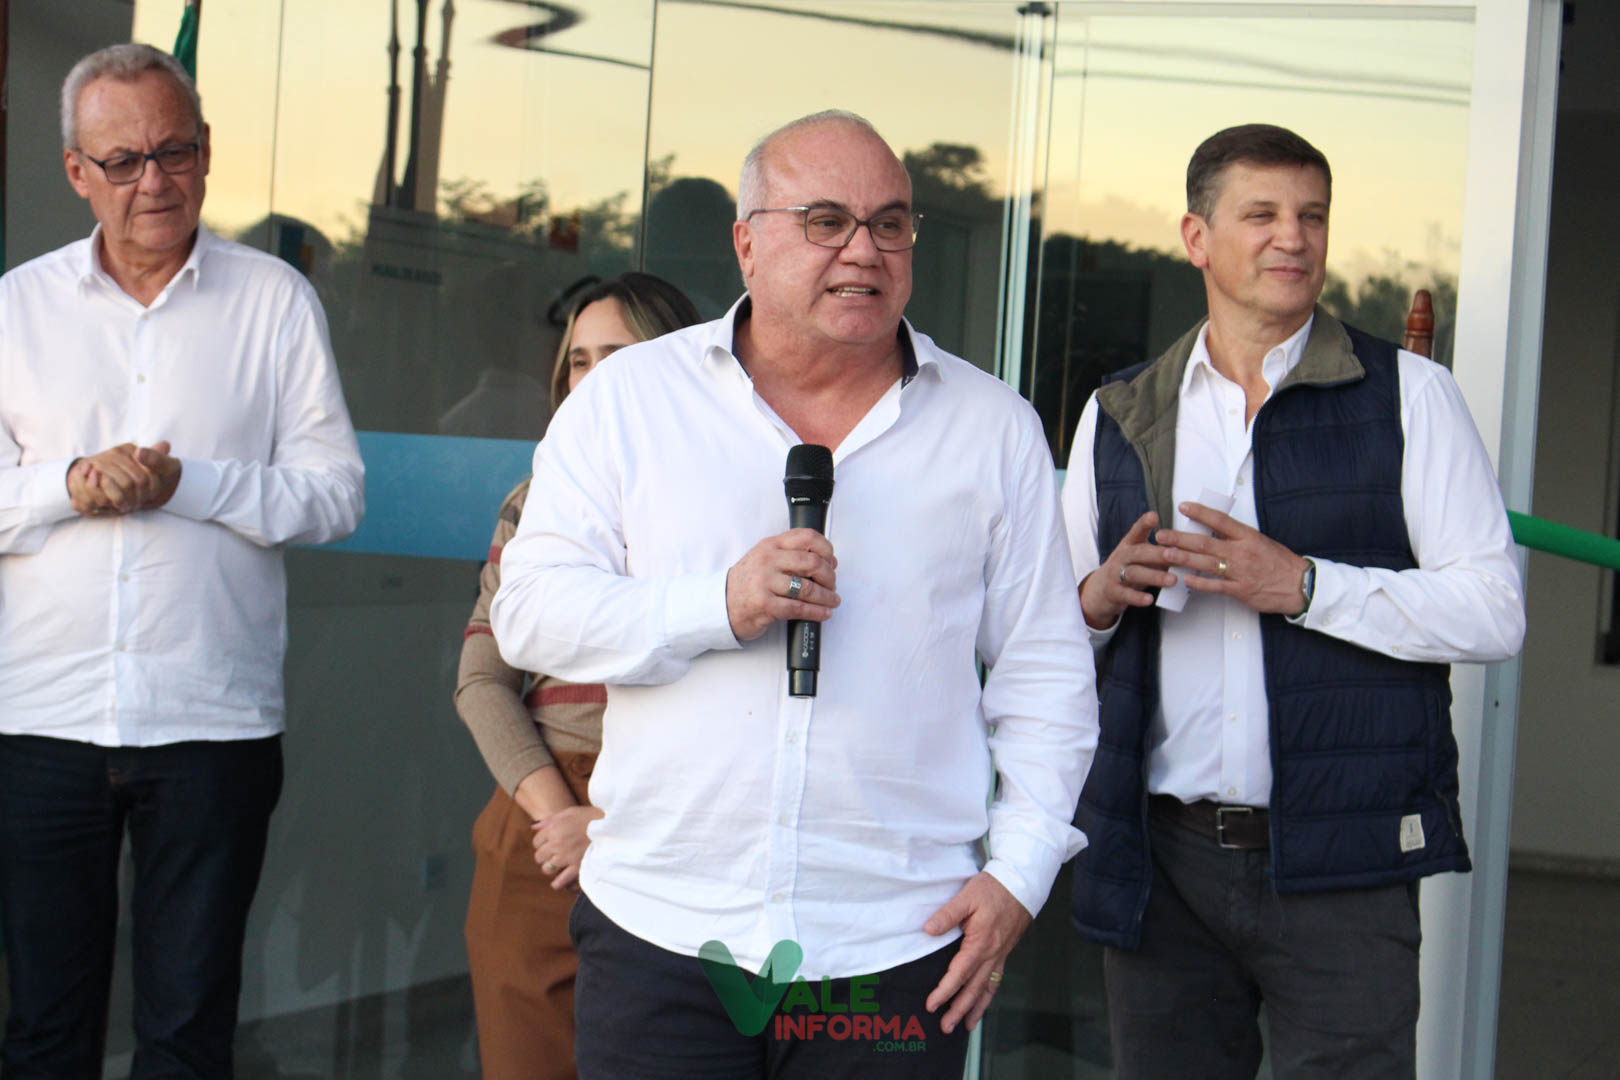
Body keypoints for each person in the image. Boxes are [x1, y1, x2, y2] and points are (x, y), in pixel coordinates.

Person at [489, 109, 1097, 1079]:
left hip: (895, 943)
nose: (864, 249)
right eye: (826, 221)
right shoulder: (629, 400)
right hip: (664, 932)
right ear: (747, 243)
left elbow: (1045, 675)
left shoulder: (992, 428)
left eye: (890, 223)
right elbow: (529, 615)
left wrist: (1021, 873)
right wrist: (715, 606)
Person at [1061, 123, 1526, 1078]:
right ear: (1196, 237)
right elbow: (1049, 638)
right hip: (1163, 859)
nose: (1294, 238)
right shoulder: (1120, 410)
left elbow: (1494, 611)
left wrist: (1307, 587)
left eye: (1312, 216)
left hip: (1346, 861)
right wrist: (1101, 598)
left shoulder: (1412, 396)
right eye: (1263, 214)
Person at [0, 43, 364, 1077]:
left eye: (175, 151)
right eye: (123, 161)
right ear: (77, 172)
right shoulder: (16, 309)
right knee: (43, 1030)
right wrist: (68, 485)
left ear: (207, 151)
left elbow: (336, 494)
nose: (154, 181)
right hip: (42, 720)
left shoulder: (275, 301)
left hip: (212, 721)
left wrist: (188, 484)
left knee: (189, 1031)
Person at [456, 271, 700, 1080]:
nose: (592, 381)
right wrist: (562, 813)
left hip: (676, 822)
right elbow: (481, 682)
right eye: (578, 362)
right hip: (539, 825)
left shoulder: (725, 503)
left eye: (617, 358)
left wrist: (609, 820)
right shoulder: (534, 503)